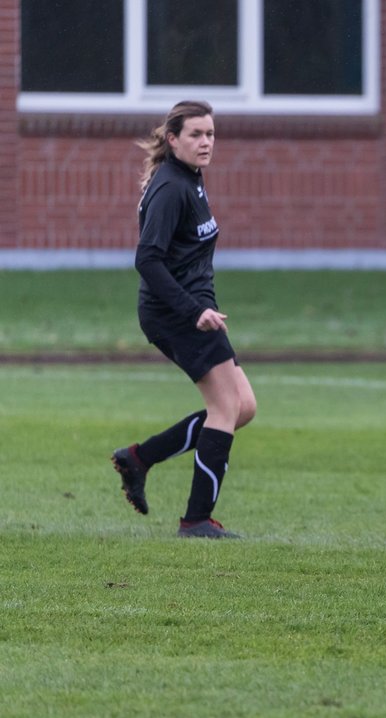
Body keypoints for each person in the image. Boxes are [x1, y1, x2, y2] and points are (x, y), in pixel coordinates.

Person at [111, 100, 256, 538]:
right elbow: (148, 259)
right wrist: (195, 311)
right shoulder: (172, 188)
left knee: (241, 407)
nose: (206, 142)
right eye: (196, 134)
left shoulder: (190, 178)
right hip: (178, 315)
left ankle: (138, 458)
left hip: (196, 312)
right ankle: (196, 520)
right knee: (226, 407)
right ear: (173, 139)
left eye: (210, 134)